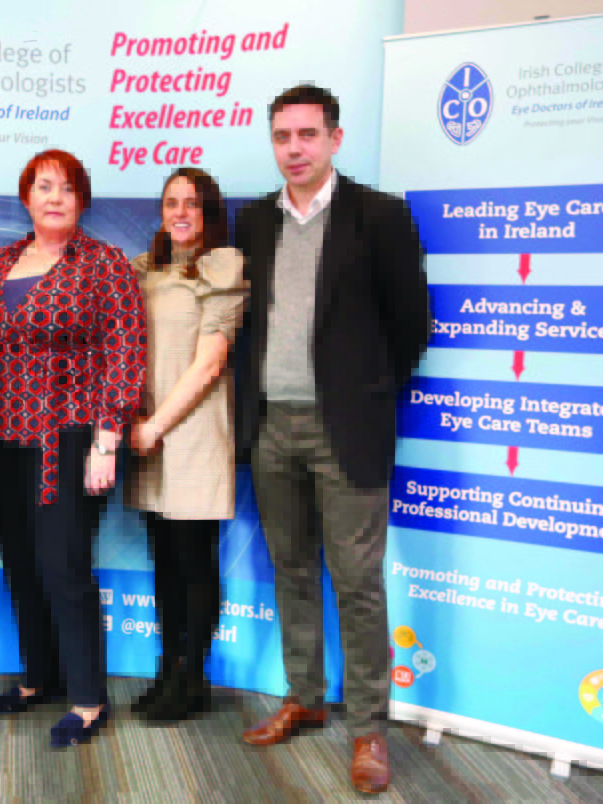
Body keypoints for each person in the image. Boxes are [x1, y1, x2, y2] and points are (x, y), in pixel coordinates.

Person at [235, 85, 430, 794]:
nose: (295, 149)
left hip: (345, 427)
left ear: (335, 140)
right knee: (290, 569)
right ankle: (305, 696)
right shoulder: (254, 220)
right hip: (270, 426)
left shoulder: (379, 216)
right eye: (282, 136)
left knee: (356, 582)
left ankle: (370, 728)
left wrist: (365, 391)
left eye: (308, 134)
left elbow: (411, 324)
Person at [0, 149, 146, 747]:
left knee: (63, 565)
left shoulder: (104, 263)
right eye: (44, 186)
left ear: (82, 201)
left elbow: (126, 351)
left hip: (69, 438)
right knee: (20, 561)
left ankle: (88, 699)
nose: (55, 198)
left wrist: (107, 440)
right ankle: (38, 676)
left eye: (67, 189)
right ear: (26, 197)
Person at [125, 168, 247, 722]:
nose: (180, 213)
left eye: (192, 204)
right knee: (165, 562)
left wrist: (155, 427)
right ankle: (168, 671)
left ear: (208, 212)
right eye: (171, 202)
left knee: (194, 561)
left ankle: (192, 679)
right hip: (149, 435)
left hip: (192, 432)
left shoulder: (222, 267)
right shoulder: (145, 270)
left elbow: (210, 364)